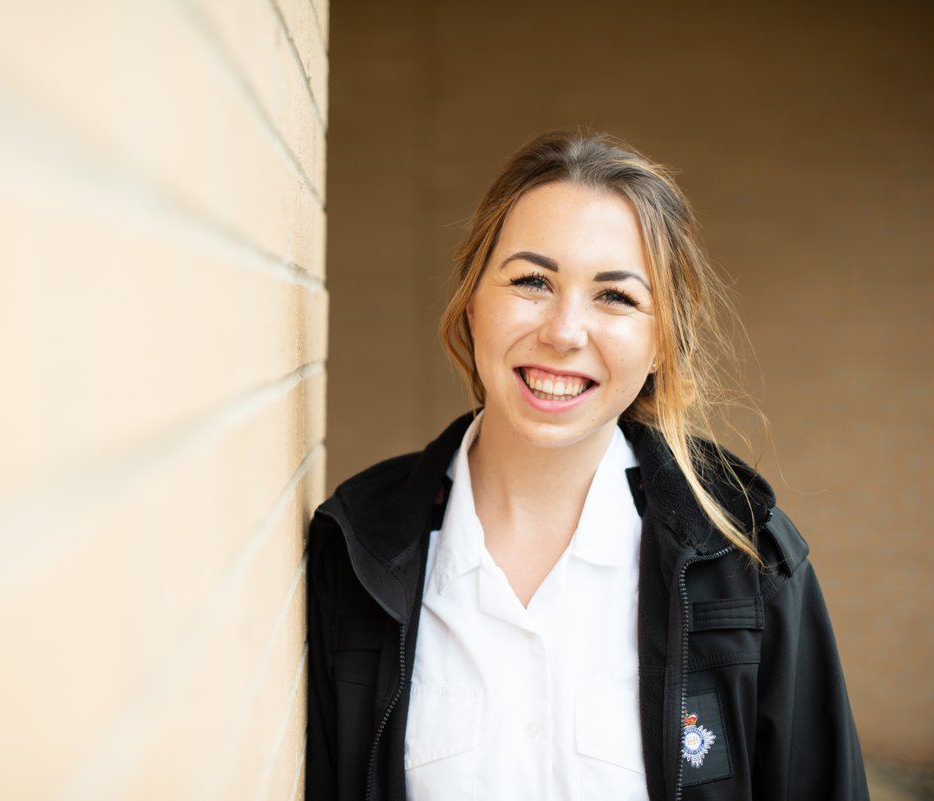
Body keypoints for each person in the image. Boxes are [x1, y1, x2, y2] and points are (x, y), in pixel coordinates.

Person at [305, 131, 867, 801]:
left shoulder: (749, 557)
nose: (565, 331)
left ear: (663, 341)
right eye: (532, 281)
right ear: (473, 298)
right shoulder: (357, 549)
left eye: (615, 297)